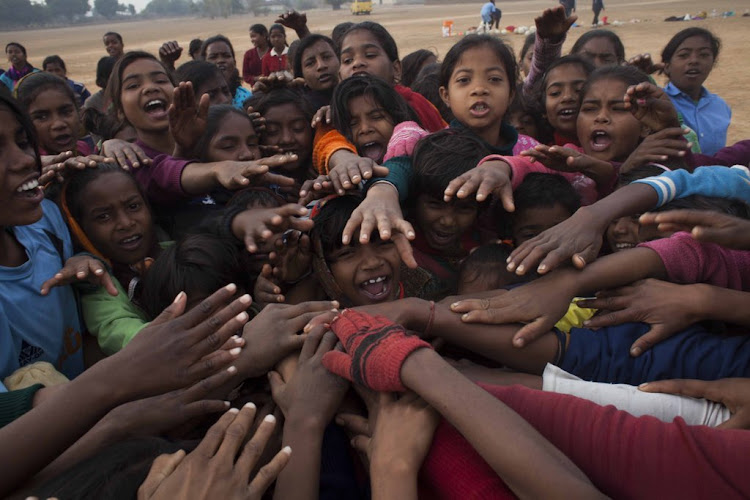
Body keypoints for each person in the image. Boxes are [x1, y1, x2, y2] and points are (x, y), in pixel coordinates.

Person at [661, 27, 730, 156]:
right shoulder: (657, 103)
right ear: (667, 66)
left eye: (703, 55)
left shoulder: (721, 107)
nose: (694, 61)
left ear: (713, 63)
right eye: (683, 55)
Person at [15, 72, 93, 156]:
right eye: (42, 117)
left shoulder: (84, 150)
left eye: (66, 112)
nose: (59, 124)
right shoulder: (20, 165)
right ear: (23, 122)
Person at [201, 35, 251, 110]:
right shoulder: (199, 99)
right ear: (203, 63)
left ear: (234, 62)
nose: (220, 60)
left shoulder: (247, 98)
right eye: (213, 57)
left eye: (226, 56)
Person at [292, 34, 340, 110]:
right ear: (301, 75)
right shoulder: (300, 111)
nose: (321, 66)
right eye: (310, 63)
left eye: (326, 57)